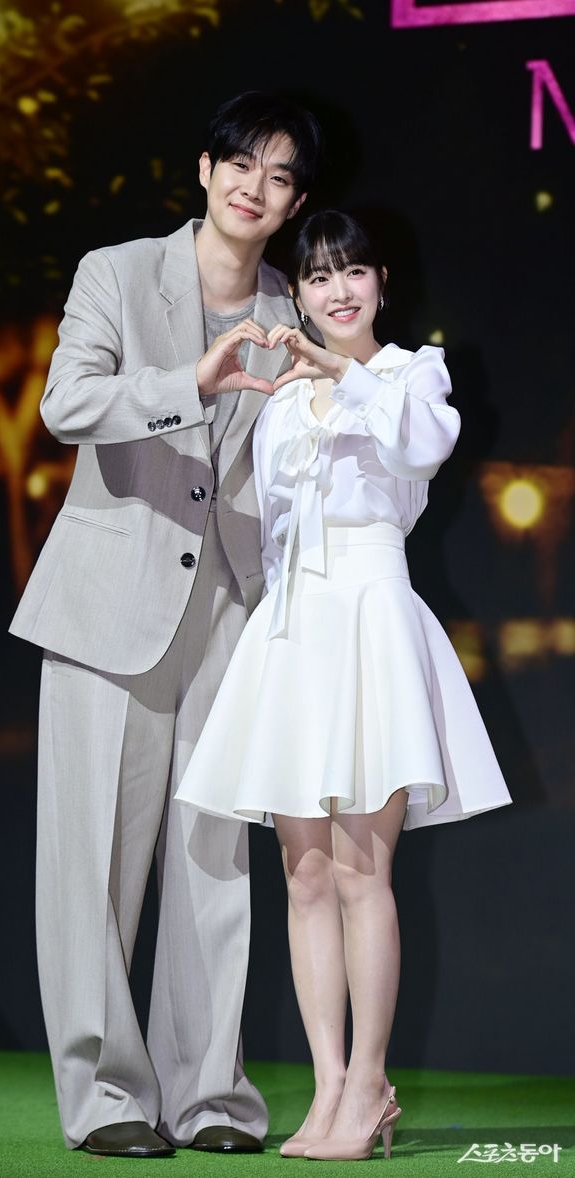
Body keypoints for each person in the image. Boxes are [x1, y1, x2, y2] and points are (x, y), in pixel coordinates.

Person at [9, 91, 324, 1159]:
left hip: (231, 611)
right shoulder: (116, 272)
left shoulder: (291, 311)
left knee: (213, 858)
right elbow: (66, 404)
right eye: (241, 164)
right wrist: (192, 378)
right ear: (205, 169)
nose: (255, 188)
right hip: (110, 603)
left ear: (294, 203)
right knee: (93, 863)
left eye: (280, 177)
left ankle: (209, 1096)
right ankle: (104, 1095)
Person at [175, 210, 512, 1162]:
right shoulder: (282, 397)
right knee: (306, 873)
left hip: (372, 622)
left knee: (365, 871)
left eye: (353, 271)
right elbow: (269, 524)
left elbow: (421, 449)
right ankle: (327, 1088)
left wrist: (341, 372)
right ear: (300, 294)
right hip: (297, 632)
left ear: (381, 282)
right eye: (319, 277)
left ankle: (369, 1083)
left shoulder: (412, 374)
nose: (338, 290)